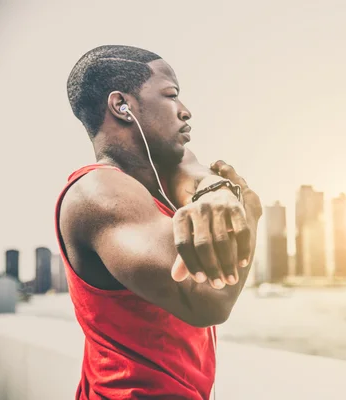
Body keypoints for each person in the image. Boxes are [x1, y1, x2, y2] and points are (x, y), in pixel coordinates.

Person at [55, 45, 262, 399]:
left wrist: (216, 189)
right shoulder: (99, 192)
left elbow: (191, 165)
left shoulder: (158, 188)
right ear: (122, 106)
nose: (186, 112)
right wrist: (251, 214)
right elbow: (206, 302)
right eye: (171, 95)